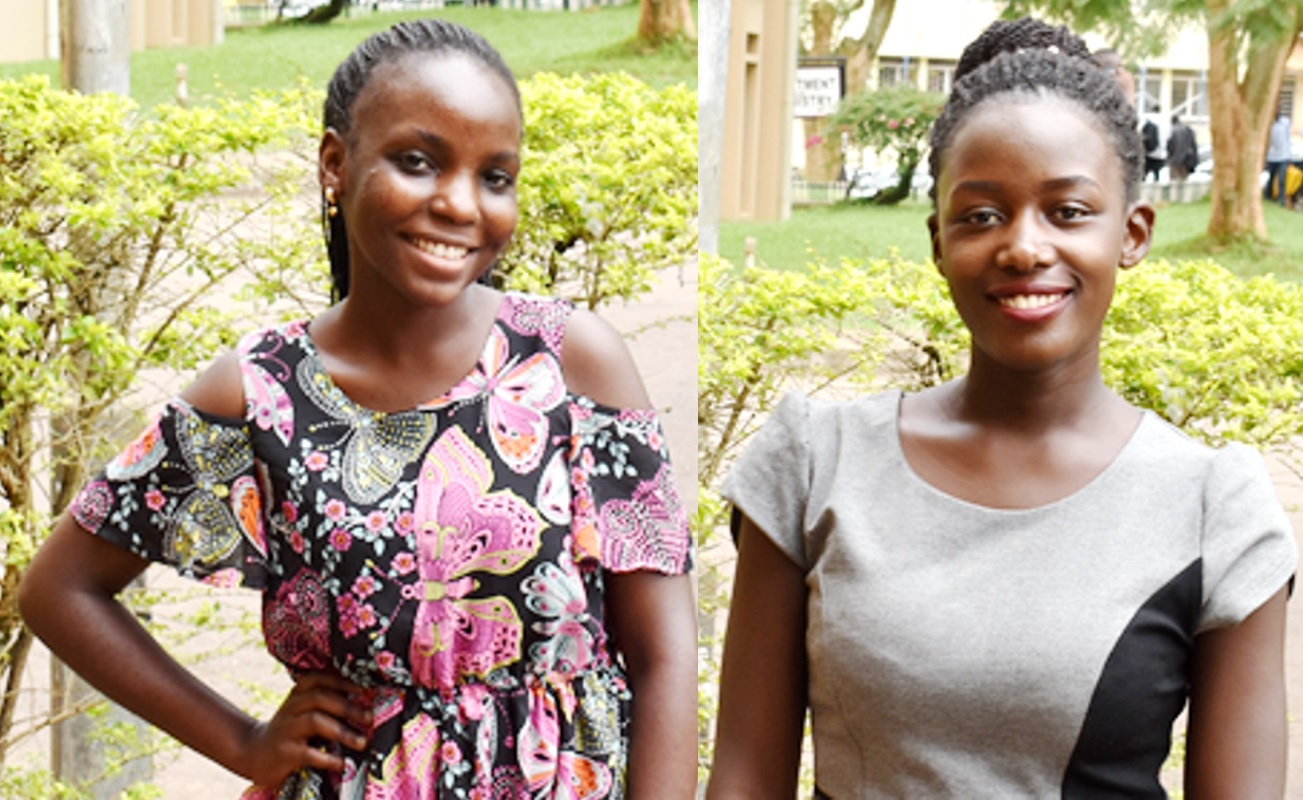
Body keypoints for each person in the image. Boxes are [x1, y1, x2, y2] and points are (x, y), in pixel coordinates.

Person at [20, 19, 697, 799]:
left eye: (494, 177)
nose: (458, 203)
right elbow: (59, 590)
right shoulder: (260, 393)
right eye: (418, 162)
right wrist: (244, 742)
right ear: (335, 164)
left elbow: (663, 654)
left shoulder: (568, 361)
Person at [707, 16, 1294, 800]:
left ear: (1132, 232)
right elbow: (745, 775)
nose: (1022, 247)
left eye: (1067, 211)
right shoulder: (816, 462)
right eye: (981, 215)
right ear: (937, 240)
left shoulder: (1211, 507)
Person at [1266, 110, 1292, 206]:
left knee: (1282, 179)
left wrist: (1289, 155)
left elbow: (1288, 138)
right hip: (1271, 156)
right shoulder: (1267, 122)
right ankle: (1268, 196)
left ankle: (1281, 199)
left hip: (1283, 156)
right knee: (1270, 178)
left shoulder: (1285, 122)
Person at [1167, 113, 1198, 182]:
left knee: (1174, 182)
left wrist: (1169, 157)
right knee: (1184, 180)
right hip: (1186, 160)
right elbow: (1193, 146)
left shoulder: (1172, 131)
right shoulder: (1188, 130)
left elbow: (1169, 146)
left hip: (1175, 160)